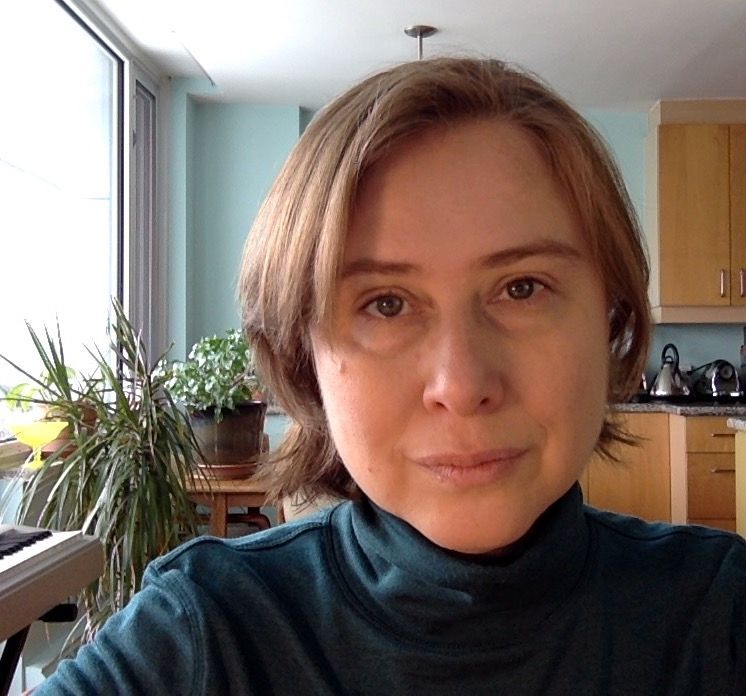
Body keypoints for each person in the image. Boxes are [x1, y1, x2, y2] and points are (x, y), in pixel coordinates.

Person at [37, 57, 745, 695]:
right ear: (301, 353)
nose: (461, 383)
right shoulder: (206, 633)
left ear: (611, 317)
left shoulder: (718, 612)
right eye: (385, 304)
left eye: (522, 287)